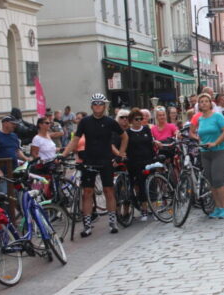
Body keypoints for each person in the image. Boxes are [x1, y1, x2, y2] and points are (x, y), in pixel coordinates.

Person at [61, 94, 127, 237]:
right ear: (91, 106)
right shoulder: (85, 122)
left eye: (100, 104)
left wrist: (120, 155)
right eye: (95, 105)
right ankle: (87, 225)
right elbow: (75, 140)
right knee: (87, 193)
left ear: (104, 106)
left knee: (108, 190)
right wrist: (64, 154)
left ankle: (112, 221)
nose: (98, 107)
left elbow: (124, 137)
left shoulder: (110, 121)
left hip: (106, 160)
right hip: (89, 160)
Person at [190, 93, 224, 218]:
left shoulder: (217, 116)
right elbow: (191, 132)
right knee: (211, 181)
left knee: (218, 179)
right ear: (199, 105)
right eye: (201, 102)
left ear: (210, 103)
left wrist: (215, 142)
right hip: (205, 152)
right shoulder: (199, 119)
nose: (203, 103)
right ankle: (217, 207)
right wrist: (197, 139)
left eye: (206, 101)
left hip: (219, 151)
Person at [125, 108, 155, 221]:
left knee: (151, 184)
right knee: (140, 186)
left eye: (140, 119)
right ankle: (144, 210)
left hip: (148, 160)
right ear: (131, 120)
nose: (139, 121)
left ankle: (153, 208)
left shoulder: (146, 129)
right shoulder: (128, 132)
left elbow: (150, 144)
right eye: (136, 119)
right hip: (134, 162)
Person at [0, 116, 31, 192]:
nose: (15, 125)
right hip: (2, 172)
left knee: (15, 194)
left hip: (14, 170)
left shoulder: (14, 135)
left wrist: (27, 159)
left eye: (15, 124)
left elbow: (17, 151)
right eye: (13, 123)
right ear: (5, 123)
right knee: (3, 194)